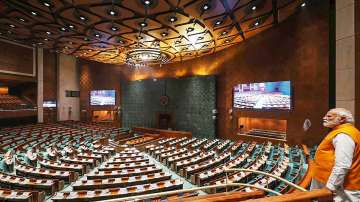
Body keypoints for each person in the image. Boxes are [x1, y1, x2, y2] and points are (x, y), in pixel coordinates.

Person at [311, 108, 360, 202]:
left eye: (329, 116)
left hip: (343, 188)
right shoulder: (344, 131)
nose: (324, 118)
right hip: (338, 185)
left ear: (342, 119)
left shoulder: (344, 135)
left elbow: (343, 165)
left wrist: (330, 187)